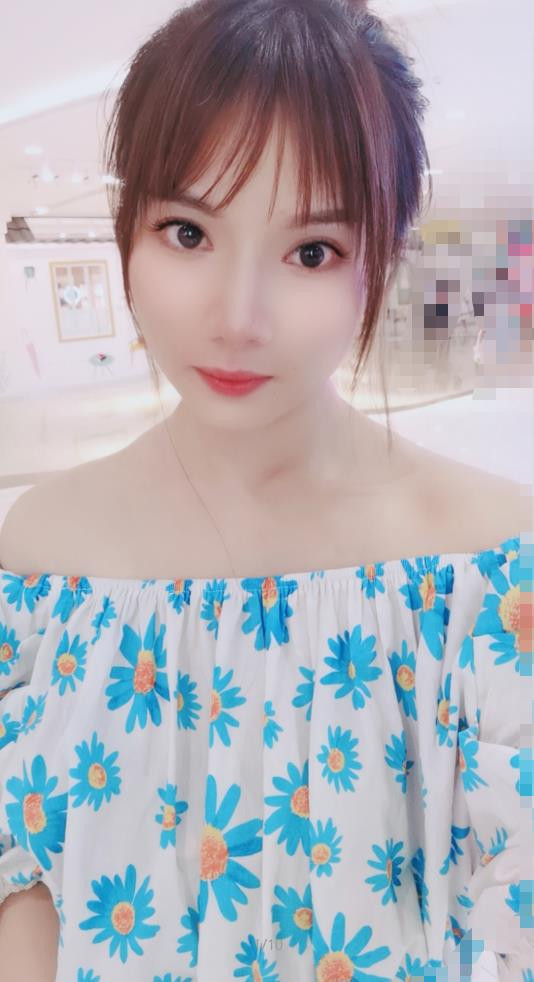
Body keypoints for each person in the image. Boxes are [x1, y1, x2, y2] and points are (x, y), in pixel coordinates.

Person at [0, 1, 529, 979]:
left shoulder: (491, 577)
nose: (238, 318)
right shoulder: (39, 565)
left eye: (311, 251)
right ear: (127, 230)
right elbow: (20, 905)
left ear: (381, 259)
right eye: (187, 232)